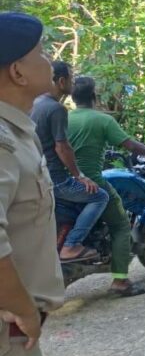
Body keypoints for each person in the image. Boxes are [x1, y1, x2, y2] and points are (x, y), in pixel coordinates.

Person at [0, 12, 64, 356]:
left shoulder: (18, 132)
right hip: (8, 333)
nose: (49, 62)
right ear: (18, 72)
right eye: (41, 53)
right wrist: (24, 310)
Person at [66, 76, 145, 297]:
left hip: (64, 183)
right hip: (92, 182)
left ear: (73, 97)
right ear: (94, 97)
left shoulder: (64, 118)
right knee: (120, 226)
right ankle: (120, 281)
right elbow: (129, 144)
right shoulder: (102, 120)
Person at [30, 61, 107, 262]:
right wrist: (79, 176)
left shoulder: (35, 104)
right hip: (57, 179)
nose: (73, 83)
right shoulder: (56, 109)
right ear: (62, 81)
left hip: (38, 175)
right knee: (100, 196)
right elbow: (62, 147)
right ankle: (71, 245)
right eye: (71, 78)